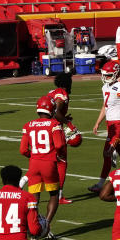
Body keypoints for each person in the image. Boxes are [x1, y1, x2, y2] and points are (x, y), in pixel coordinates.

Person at [20, 97, 66, 240]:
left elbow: (22, 150)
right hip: (49, 163)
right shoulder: (54, 124)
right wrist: (58, 156)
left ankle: (34, 228)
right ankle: (45, 225)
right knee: (53, 194)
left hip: (34, 164)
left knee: (34, 198)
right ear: (51, 109)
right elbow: (58, 145)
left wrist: (33, 155)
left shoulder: (28, 125)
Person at [90, 60, 120, 192]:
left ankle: (101, 183)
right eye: (104, 75)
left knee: (107, 153)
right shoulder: (105, 87)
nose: (105, 77)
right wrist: (98, 122)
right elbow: (105, 106)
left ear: (115, 74)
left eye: (108, 75)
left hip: (118, 123)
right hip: (110, 124)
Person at [44, 72, 75, 204]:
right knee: (61, 162)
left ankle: (22, 182)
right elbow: (56, 112)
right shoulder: (62, 93)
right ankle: (59, 195)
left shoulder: (52, 92)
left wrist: (64, 117)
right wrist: (68, 124)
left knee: (42, 161)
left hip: (43, 126)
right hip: (54, 129)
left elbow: (47, 109)